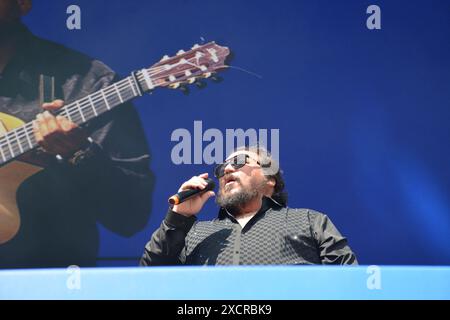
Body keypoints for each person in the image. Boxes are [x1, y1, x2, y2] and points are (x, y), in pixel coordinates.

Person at [0, 0, 154, 268]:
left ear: (22, 4)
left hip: (49, 283)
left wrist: (79, 152)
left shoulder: (88, 83)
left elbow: (131, 216)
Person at [140, 146, 357, 266]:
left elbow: (348, 283)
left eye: (239, 161)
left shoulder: (310, 221)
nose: (226, 170)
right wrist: (178, 218)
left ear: (269, 178)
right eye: (223, 167)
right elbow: (149, 279)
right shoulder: (194, 232)